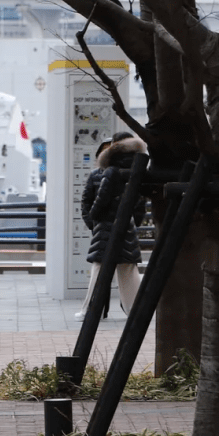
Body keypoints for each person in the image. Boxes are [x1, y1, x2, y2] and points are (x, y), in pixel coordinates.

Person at [73, 131, 146, 321]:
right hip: (126, 227)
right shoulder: (137, 169)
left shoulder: (108, 171)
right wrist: (131, 222)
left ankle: (91, 310)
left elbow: (94, 203)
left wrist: (95, 220)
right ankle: (136, 312)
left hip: (105, 227)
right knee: (128, 271)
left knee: (99, 270)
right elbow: (139, 204)